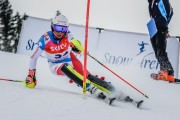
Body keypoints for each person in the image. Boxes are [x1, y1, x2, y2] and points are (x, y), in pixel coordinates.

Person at [24, 13, 143, 107]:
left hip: (70, 58)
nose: (60, 32)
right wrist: (31, 75)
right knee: (67, 68)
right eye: (58, 28)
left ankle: (117, 92)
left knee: (88, 76)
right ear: (52, 26)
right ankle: (92, 89)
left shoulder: (67, 34)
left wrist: (77, 48)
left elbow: (77, 46)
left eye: (63, 29)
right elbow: (33, 57)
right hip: (55, 65)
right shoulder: (45, 38)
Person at [147, 0, 175, 82]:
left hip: (161, 25)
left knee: (160, 50)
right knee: (156, 52)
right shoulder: (150, 3)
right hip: (153, 26)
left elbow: (170, 12)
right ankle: (163, 71)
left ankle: (169, 72)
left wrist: (165, 25)